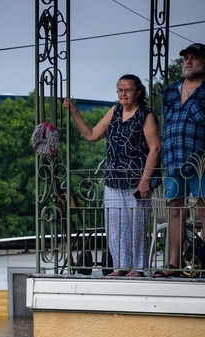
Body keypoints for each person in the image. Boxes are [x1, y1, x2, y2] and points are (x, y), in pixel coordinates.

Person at [63, 74, 161, 277]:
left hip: (136, 180)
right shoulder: (115, 111)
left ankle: (138, 267)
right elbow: (91, 135)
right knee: (115, 226)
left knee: (137, 224)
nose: (122, 93)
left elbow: (155, 148)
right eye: (119, 90)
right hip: (113, 179)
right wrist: (74, 112)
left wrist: (145, 180)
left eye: (127, 90)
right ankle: (120, 266)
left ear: (138, 92)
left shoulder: (146, 114)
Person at [156, 43, 205, 278]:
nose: (188, 62)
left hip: (202, 163)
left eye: (195, 58)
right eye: (186, 58)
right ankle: (173, 263)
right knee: (175, 211)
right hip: (173, 160)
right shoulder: (170, 90)